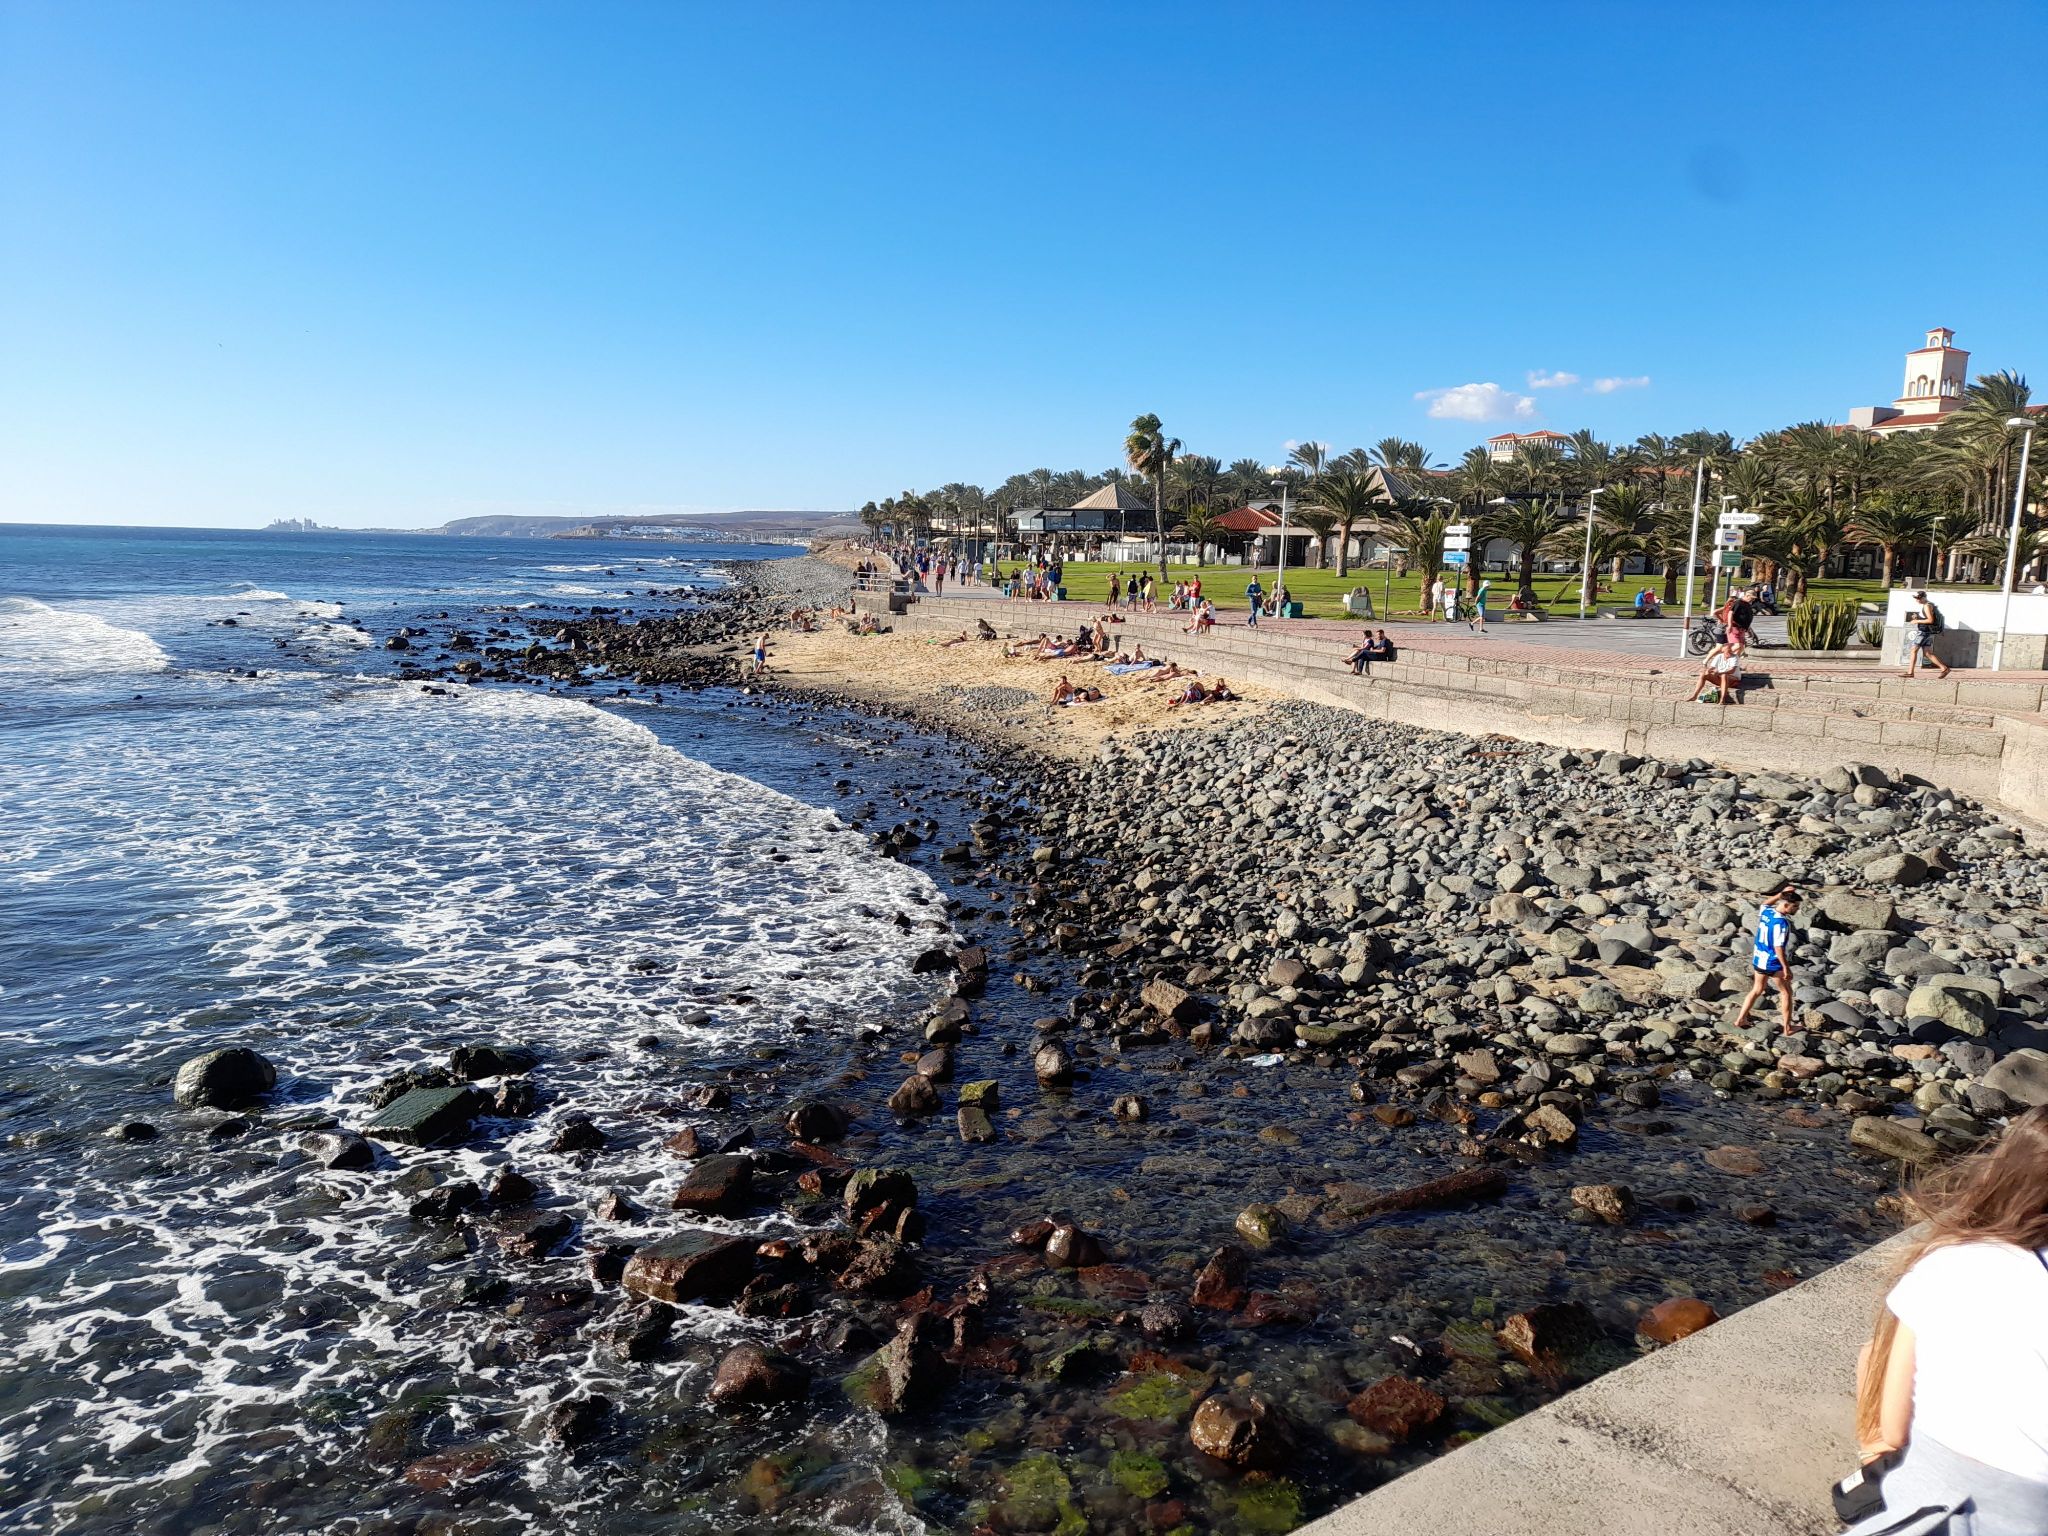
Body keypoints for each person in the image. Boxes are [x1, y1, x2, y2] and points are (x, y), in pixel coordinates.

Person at [1844, 1108, 2048, 1534]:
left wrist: (1875, 1447)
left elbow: (1892, 1426)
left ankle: (1871, 1481)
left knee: (1873, 1359)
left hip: (1958, 1504)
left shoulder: (1949, 1261)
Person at [1730, 883, 1799, 1035]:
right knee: (1786, 993)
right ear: (1786, 905)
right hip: (1773, 962)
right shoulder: (1781, 923)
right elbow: (1778, 947)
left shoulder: (1768, 913)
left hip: (1759, 959)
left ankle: (1740, 1019)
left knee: (1757, 990)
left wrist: (1780, 894)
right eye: (1795, 906)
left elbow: (1765, 903)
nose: (1797, 909)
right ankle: (1787, 1028)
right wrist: (1786, 968)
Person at [1904, 590, 1952, 680]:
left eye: (1918, 598)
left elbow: (1930, 620)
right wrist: (1918, 617)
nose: (1917, 600)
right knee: (1927, 653)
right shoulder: (1930, 605)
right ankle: (1944, 668)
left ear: (1924, 597)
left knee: (1913, 650)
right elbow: (1927, 618)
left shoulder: (1927, 606)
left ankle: (1910, 672)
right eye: (1916, 598)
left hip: (1924, 632)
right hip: (1928, 632)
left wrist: (1916, 620)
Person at [1686, 639, 1743, 705]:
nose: (1730, 651)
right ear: (1723, 651)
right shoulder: (1719, 656)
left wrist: (1719, 673)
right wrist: (1708, 671)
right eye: (1728, 650)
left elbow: (1732, 670)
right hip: (1720, 677)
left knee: (1724, 675)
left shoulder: (1735, 657)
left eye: (1731, 650)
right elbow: (1712, 667)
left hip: (1733, 679)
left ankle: (1722, 699)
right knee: (1703, 674)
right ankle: (1695, 696)